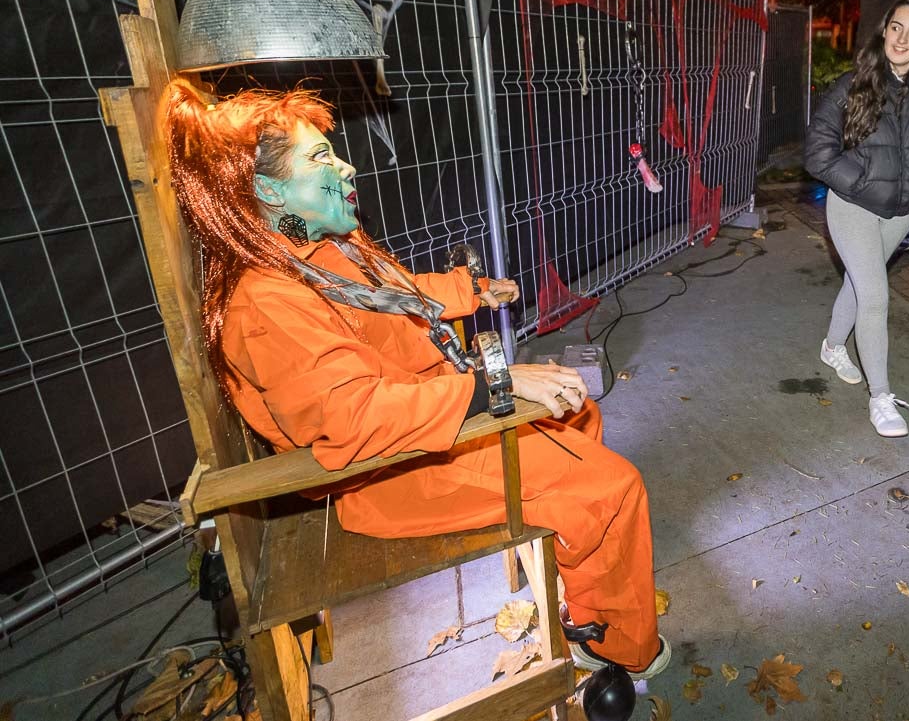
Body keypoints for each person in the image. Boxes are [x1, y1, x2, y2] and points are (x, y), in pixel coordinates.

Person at [164, 80, 668, 677]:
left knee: (580, 412)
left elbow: (395, 294)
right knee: (612, 488)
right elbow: (354, 420)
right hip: (385, 472)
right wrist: (495, 387)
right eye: (321, 157)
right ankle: (614, 644)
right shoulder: (265, 303)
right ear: (267, 190)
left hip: (422, 416)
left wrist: (469, 290)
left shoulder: (323, 248)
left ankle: (578, 549)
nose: (346, 166)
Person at [806, 0, 909, 437]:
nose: (903, 38)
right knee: (876, 297)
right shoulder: (854, 84)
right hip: (853, 205)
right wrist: (860, 183)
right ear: (884, 30)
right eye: (897, 27)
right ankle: (881, 398)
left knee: (858, 286)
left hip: (898, 213)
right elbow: (817, 152)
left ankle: (833, 346)